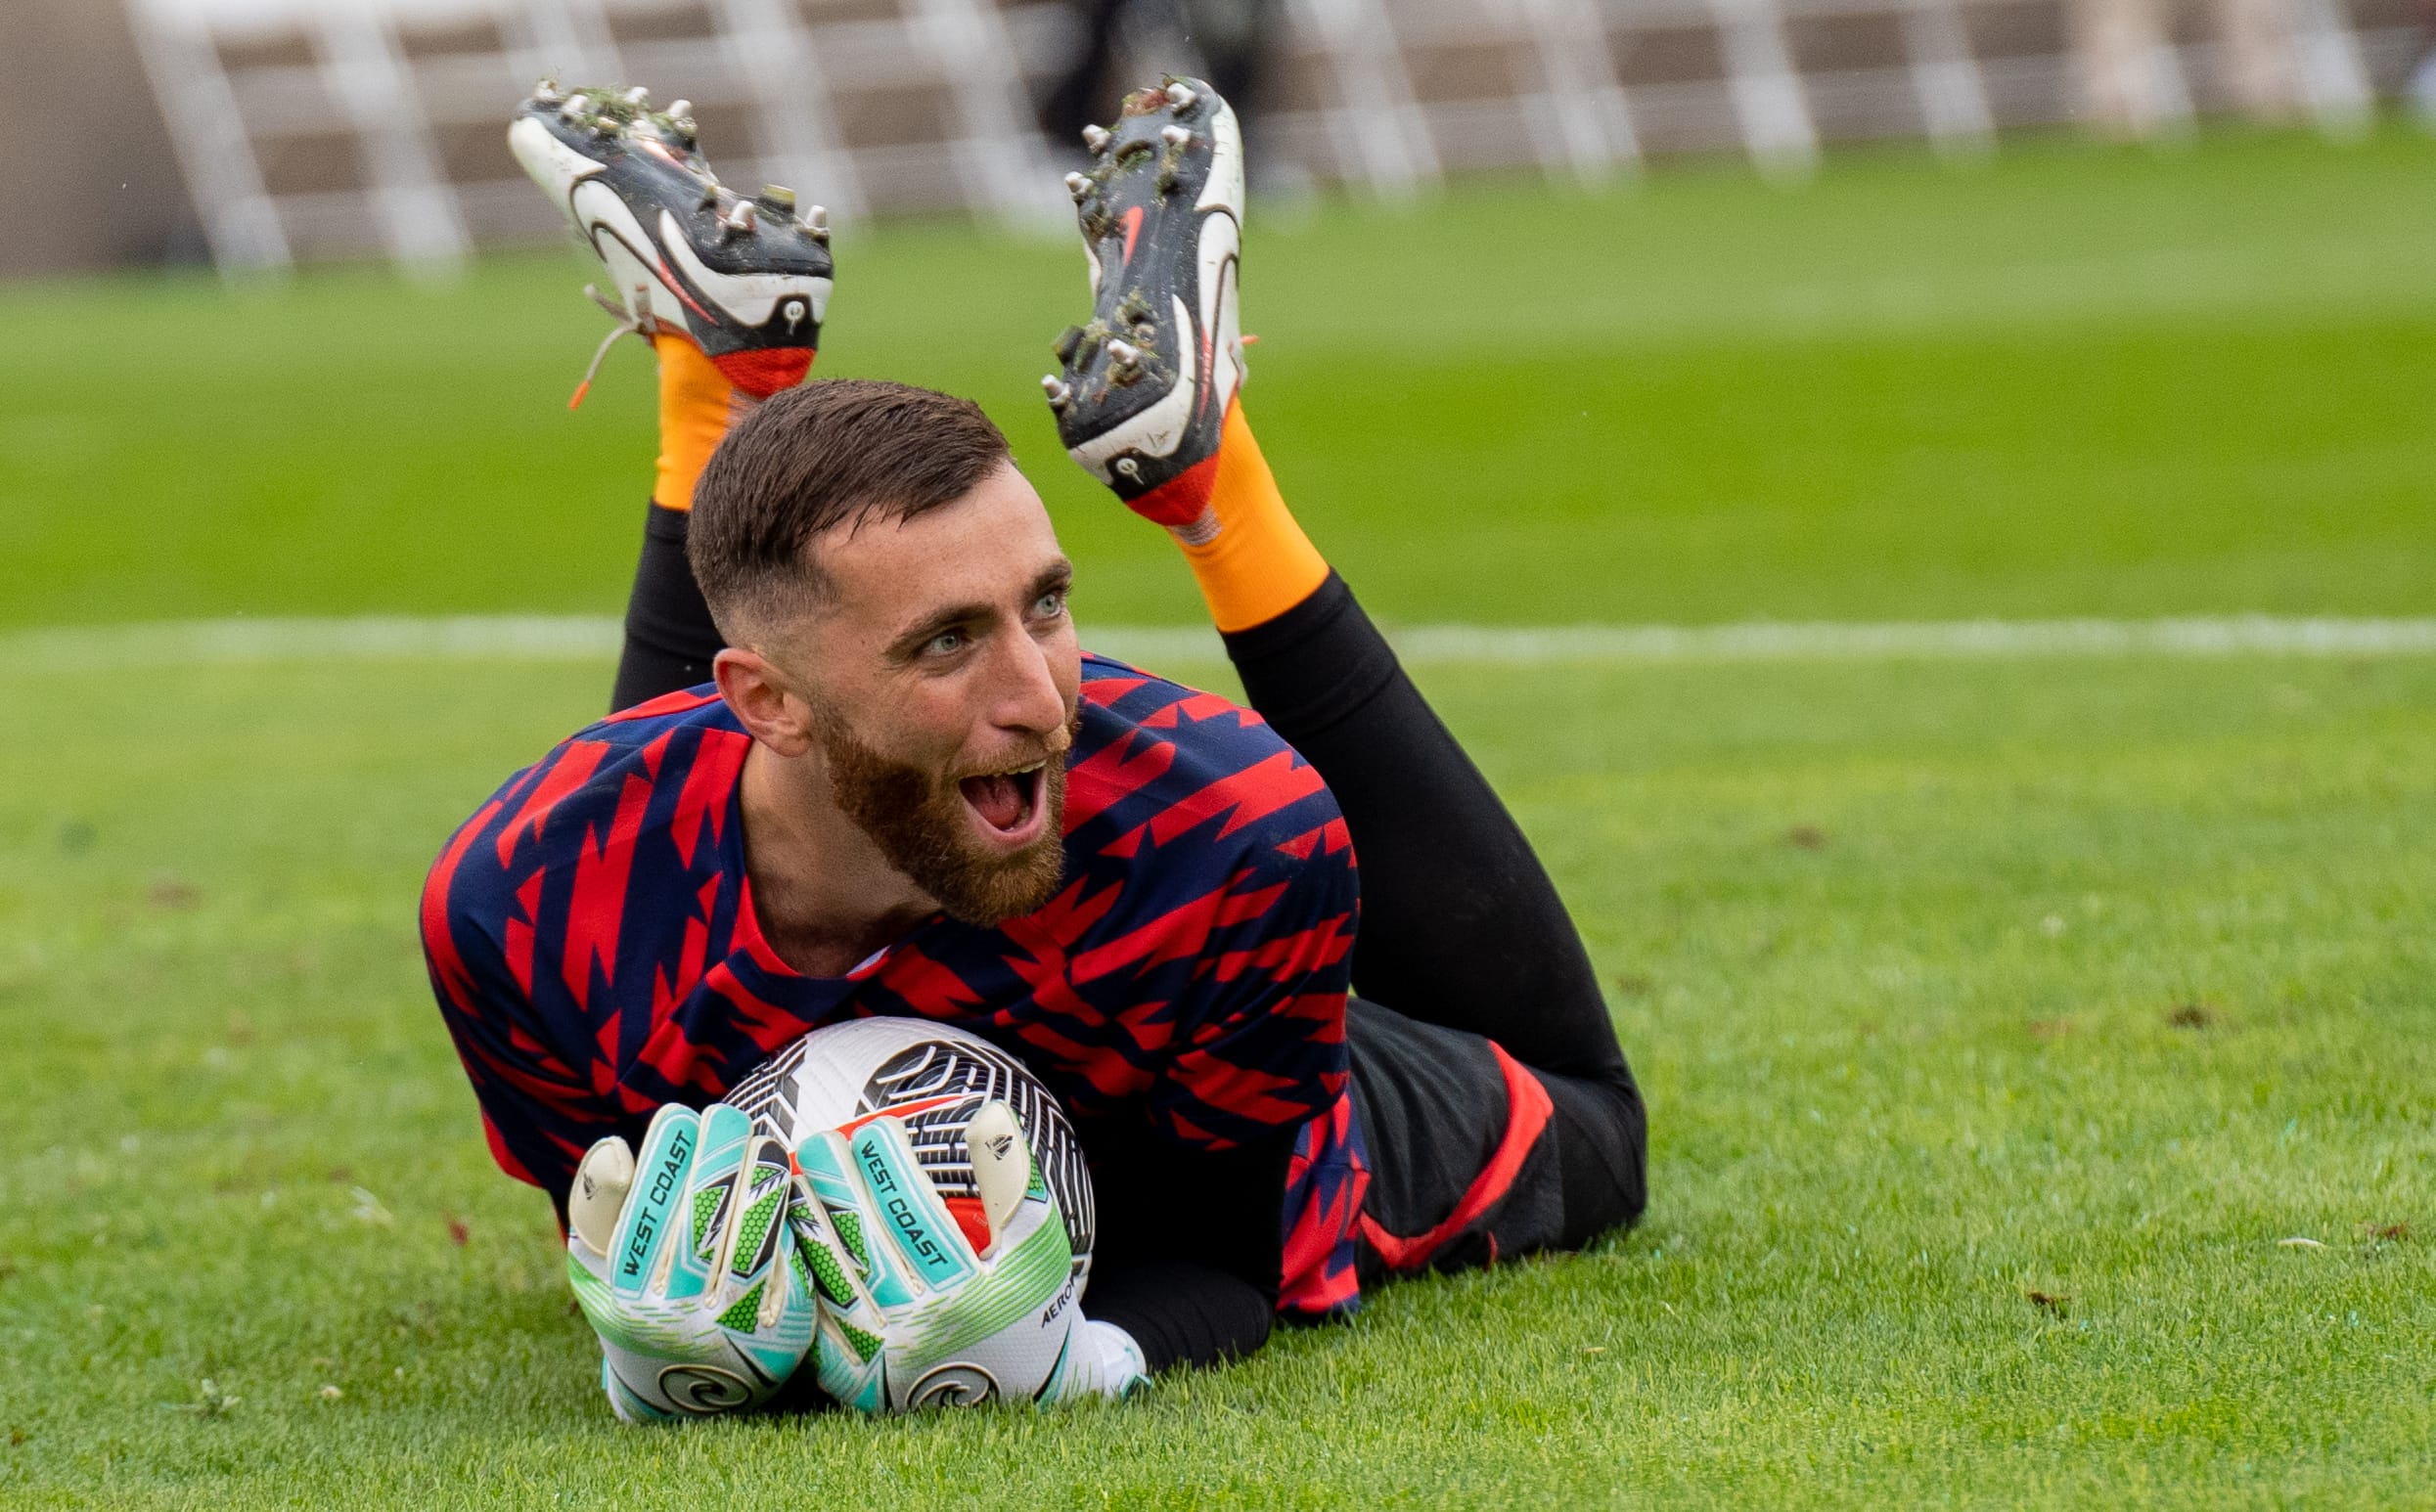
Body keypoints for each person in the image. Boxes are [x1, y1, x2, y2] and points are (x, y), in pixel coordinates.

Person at [423, 74, 1645, 1418]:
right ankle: (715, 391)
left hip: (1206, 1093)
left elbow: (1232, 1259)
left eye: (1045, 605)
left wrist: (1076, 1354)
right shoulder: (512, 908)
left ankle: (1213, 486)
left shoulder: (1223, 835)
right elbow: (647, 1246)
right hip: (755, 818)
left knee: (1593, 1123)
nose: (1039, 698)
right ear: (758, 700)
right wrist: (656, 1343)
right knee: (630, 859)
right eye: (946, 639)